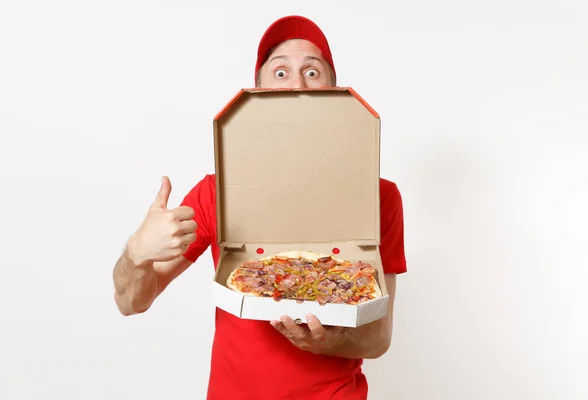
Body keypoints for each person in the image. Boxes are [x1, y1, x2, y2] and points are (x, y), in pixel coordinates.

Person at [112, 15, 407, 400]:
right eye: (280, 71)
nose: (297, 83)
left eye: (312, 71)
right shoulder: (215, 193)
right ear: (258, 91)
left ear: (335, 91)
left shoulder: (380, 197)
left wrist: (328, 342)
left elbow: (379, 338)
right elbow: (130, 302)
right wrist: (136, 254)